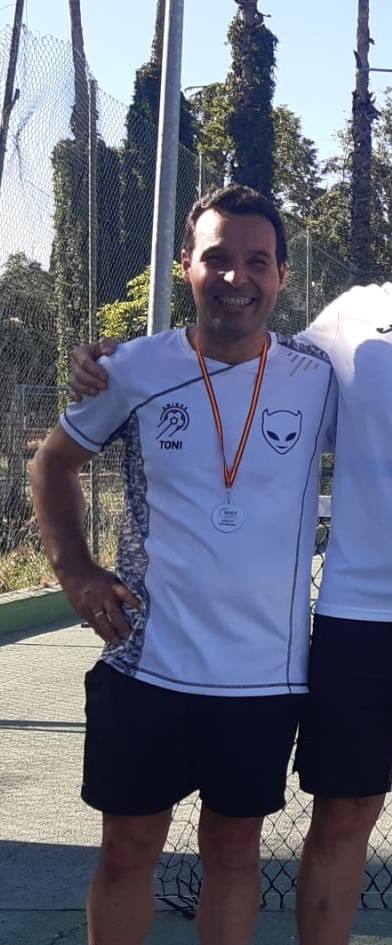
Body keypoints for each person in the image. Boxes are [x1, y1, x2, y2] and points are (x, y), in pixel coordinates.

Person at [69, 154, 392, 945]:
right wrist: (118, 364)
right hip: (356, 619)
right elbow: (246, 357)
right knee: (342, 815)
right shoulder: (349, 319)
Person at [32, 185, 336, 945]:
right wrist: (76, 571)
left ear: (282, 274)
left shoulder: (319, 376)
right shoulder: (131, 369)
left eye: (257, 261)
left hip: (264, 675)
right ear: (186, 266)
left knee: (233, 854)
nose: (237, 277)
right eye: (218, 258)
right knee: (127, 849)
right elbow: (52, 464)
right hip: (147, 660)